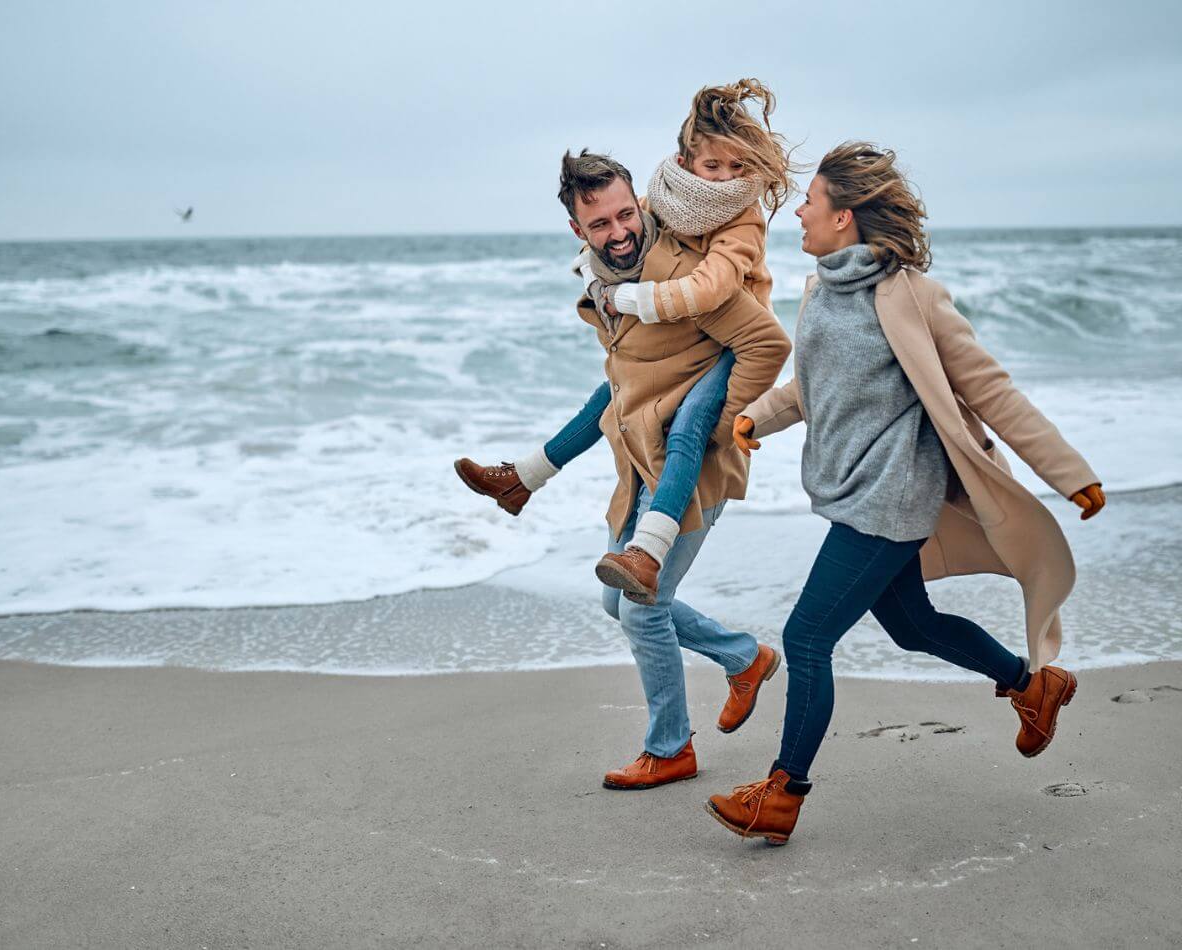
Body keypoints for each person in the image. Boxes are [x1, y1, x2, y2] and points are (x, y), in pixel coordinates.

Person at [705, 142, 1108, 845]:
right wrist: (757, 415)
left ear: (846, 215)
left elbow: (988, 386)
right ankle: (1032, 685)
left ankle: (782, 793)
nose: (798, 211)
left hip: (893, 495)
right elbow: (819, 383)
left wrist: (1068, 471)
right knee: (912, 626)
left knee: (806, 638)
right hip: (851, 486)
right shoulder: (823, 287)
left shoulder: (911, 295)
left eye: (811, 201)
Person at [463, 149, 792, 789]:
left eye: (625, 215)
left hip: (690, 469)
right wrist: (538, 467)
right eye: (600, 225)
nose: (619, 233)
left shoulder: (682, 276)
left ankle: (670, 749)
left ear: (640, 202)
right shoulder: (604, 284)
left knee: (643, 608)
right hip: (641, 464)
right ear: (577, 232)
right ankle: (742, 656)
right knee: (618, 602)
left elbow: (768, 343)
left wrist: (718, 428)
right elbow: (618, 387)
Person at [455, 79, 794, 605]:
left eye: (737, 167)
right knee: (610, 393)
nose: (726, 178)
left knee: (689, 427)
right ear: (686, 162)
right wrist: (597, 281)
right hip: (685, 328)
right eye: (713, 166)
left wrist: (629, 298)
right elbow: (625, 239)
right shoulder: (665, 200)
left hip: (728, 342)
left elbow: (716, 288)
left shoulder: (742, 216)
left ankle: (649, 550)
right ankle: (525, 475)